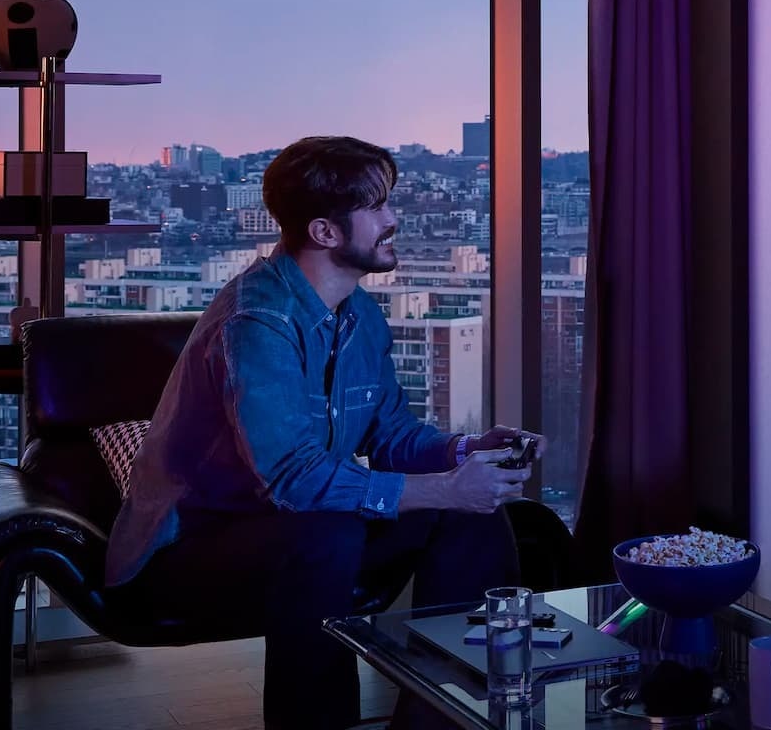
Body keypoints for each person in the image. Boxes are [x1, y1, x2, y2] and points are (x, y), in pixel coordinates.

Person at [107, 135, 543, 730]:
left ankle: (443, 719)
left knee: (472, 515)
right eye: (376, 208)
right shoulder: (257, 321)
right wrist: (444, 488)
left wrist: (465, 451)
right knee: (326, 533)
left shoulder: (358, 314)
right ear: (324, 233)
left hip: (293, 527)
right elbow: (292, 479)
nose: (393, 221)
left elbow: (389, 433)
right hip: (192, 548)